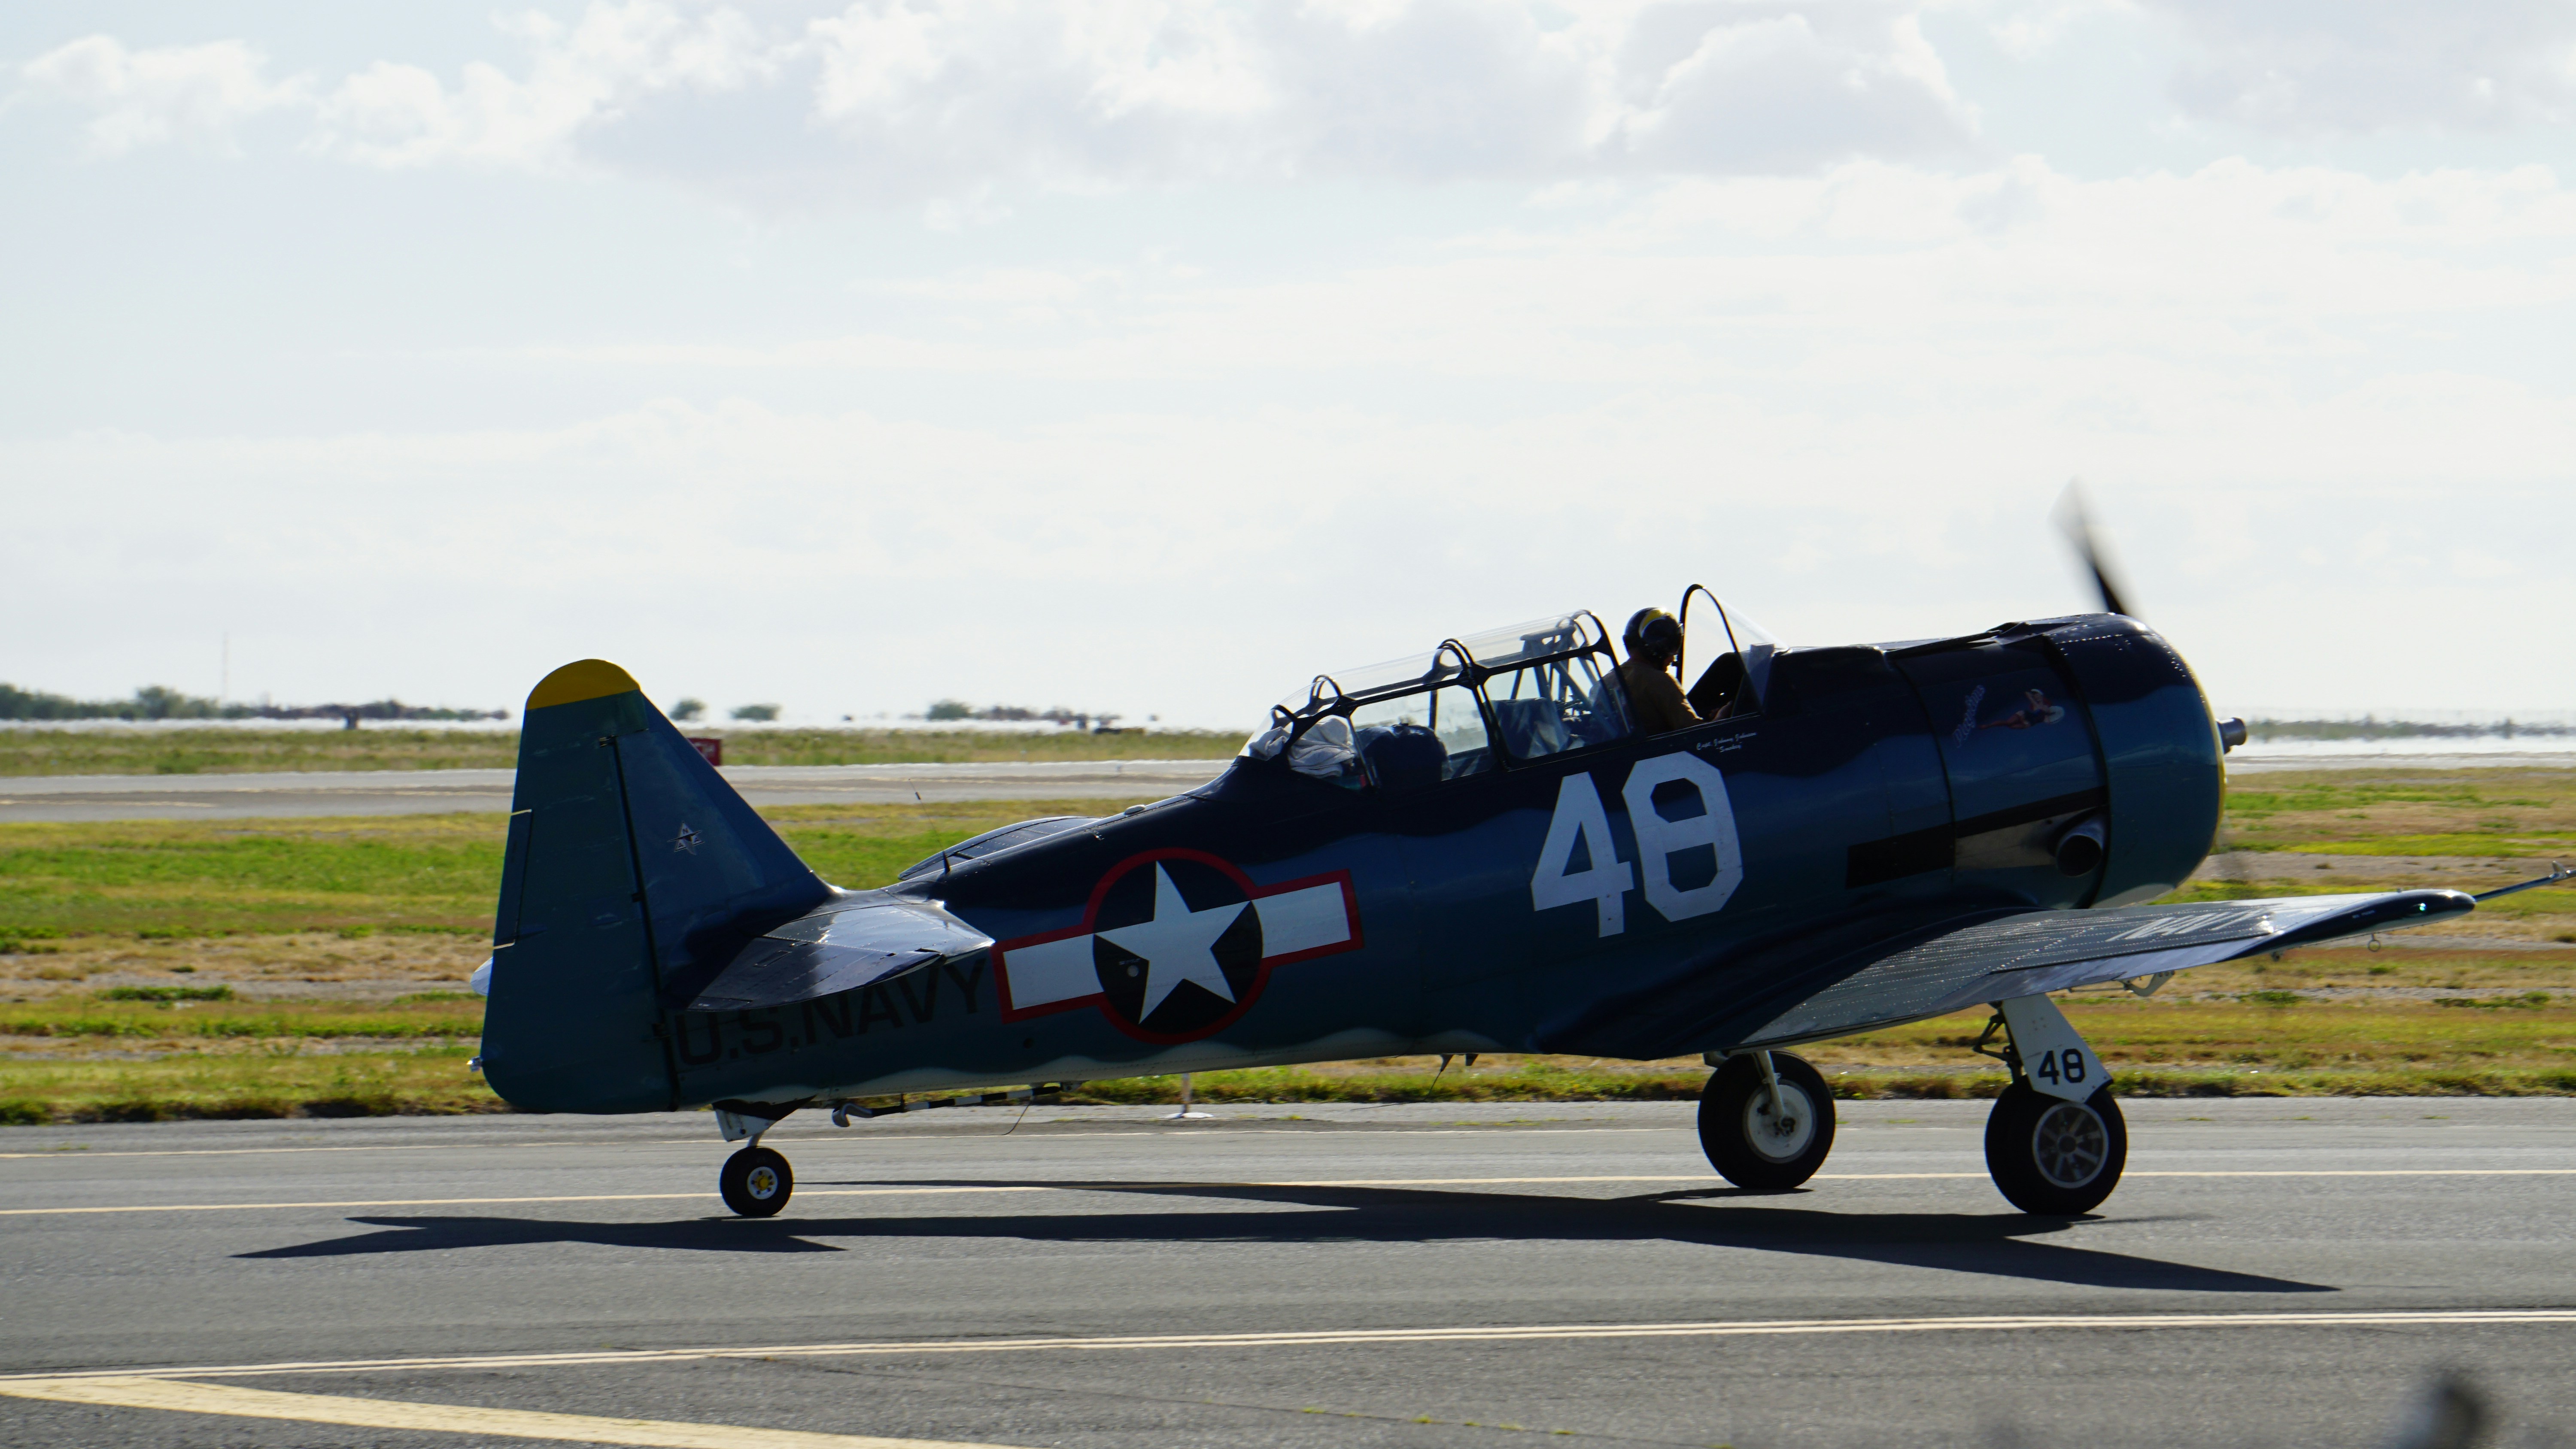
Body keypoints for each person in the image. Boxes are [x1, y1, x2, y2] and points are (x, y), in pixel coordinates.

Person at [1617, 607, 1701, 735]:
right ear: (1657, 647)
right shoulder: (1658, 681)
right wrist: (1722, 716)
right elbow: (1696, 734)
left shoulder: (1607, 683)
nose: (1673, 658)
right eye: (1671, 646)